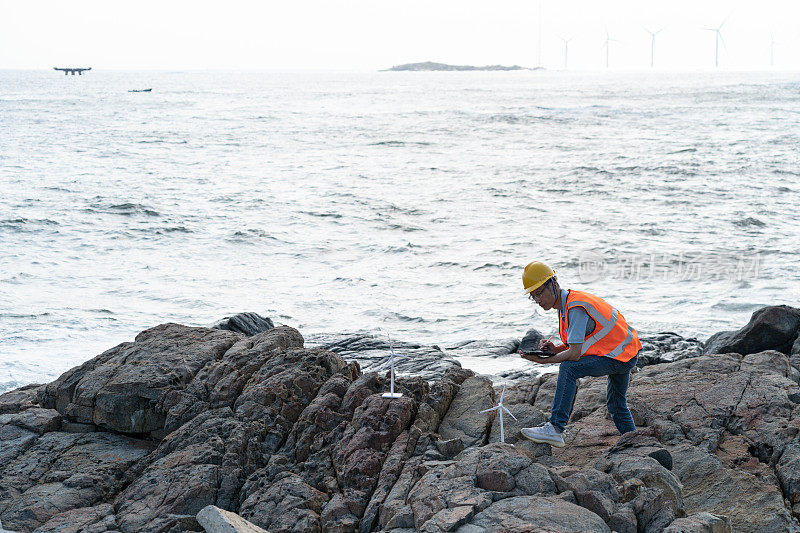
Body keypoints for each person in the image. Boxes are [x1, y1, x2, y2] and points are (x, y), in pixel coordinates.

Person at [518, 261, 641, 447]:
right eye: (533, 296)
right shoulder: (566, 305)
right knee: (616, 405)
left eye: (539, 292)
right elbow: (578, 343)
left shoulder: (575, 307)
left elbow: (574, 355)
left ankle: (556, 428)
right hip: (624, 353)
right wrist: (556, 349)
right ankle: (638, 444)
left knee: (568, 368)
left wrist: (544, 362)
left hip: (618, 357)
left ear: (553, 283)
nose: (537, 299)